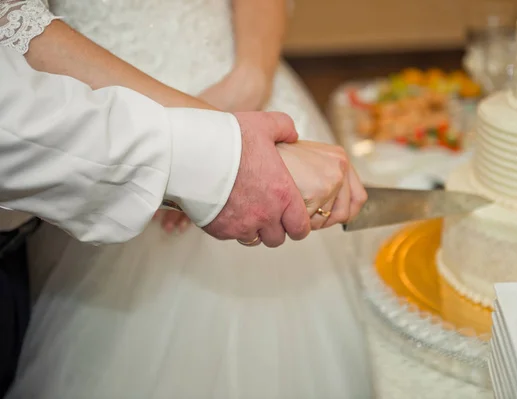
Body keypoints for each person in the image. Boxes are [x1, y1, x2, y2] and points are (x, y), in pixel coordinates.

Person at [2, 0, 375, 398]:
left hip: (239, 74)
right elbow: (15, 26)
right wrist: (215, 147)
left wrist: (250, 78)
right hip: (93, 114)